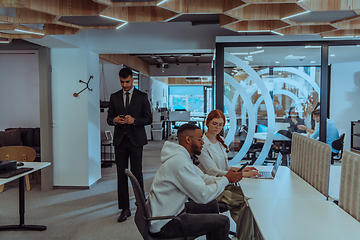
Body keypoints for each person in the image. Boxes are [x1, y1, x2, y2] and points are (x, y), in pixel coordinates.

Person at [147, 123, 244, 239]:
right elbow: (203, 195)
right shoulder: (180, 163)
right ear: (188, 140)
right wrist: (226, 179)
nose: (203, 143)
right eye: (200, 139)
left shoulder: (182, 157)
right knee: (222, 222)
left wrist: (226, 179)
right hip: (165, 223)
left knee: (212, 205)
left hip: (172, 210)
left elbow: (203, 178)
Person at [197, 109, 261, 240]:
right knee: (246, 204)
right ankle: (247, 236)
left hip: (224, 183)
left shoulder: (220, 141)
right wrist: (243, 174)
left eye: (221, 125)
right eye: (215, 124)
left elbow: (225, 168)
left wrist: (243, 169)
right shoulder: (202, 144)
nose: (218, 127)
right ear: (207, 123)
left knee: (250, 201)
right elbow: (213, 172)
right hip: (213, 186)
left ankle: (249, 235)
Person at [107, 67, 152, 222]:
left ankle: (141, 204)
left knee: (137, 173)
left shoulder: (142, 96)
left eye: (127, 81)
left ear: (133, 79)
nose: (124, 85)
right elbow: (109, 118)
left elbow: (148, 118)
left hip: (136, 140)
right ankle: (125, 209)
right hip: (120, 141)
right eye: (122, 82)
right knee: (121, 175)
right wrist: (115, 120)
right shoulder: (114, 97)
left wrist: (134, 121)